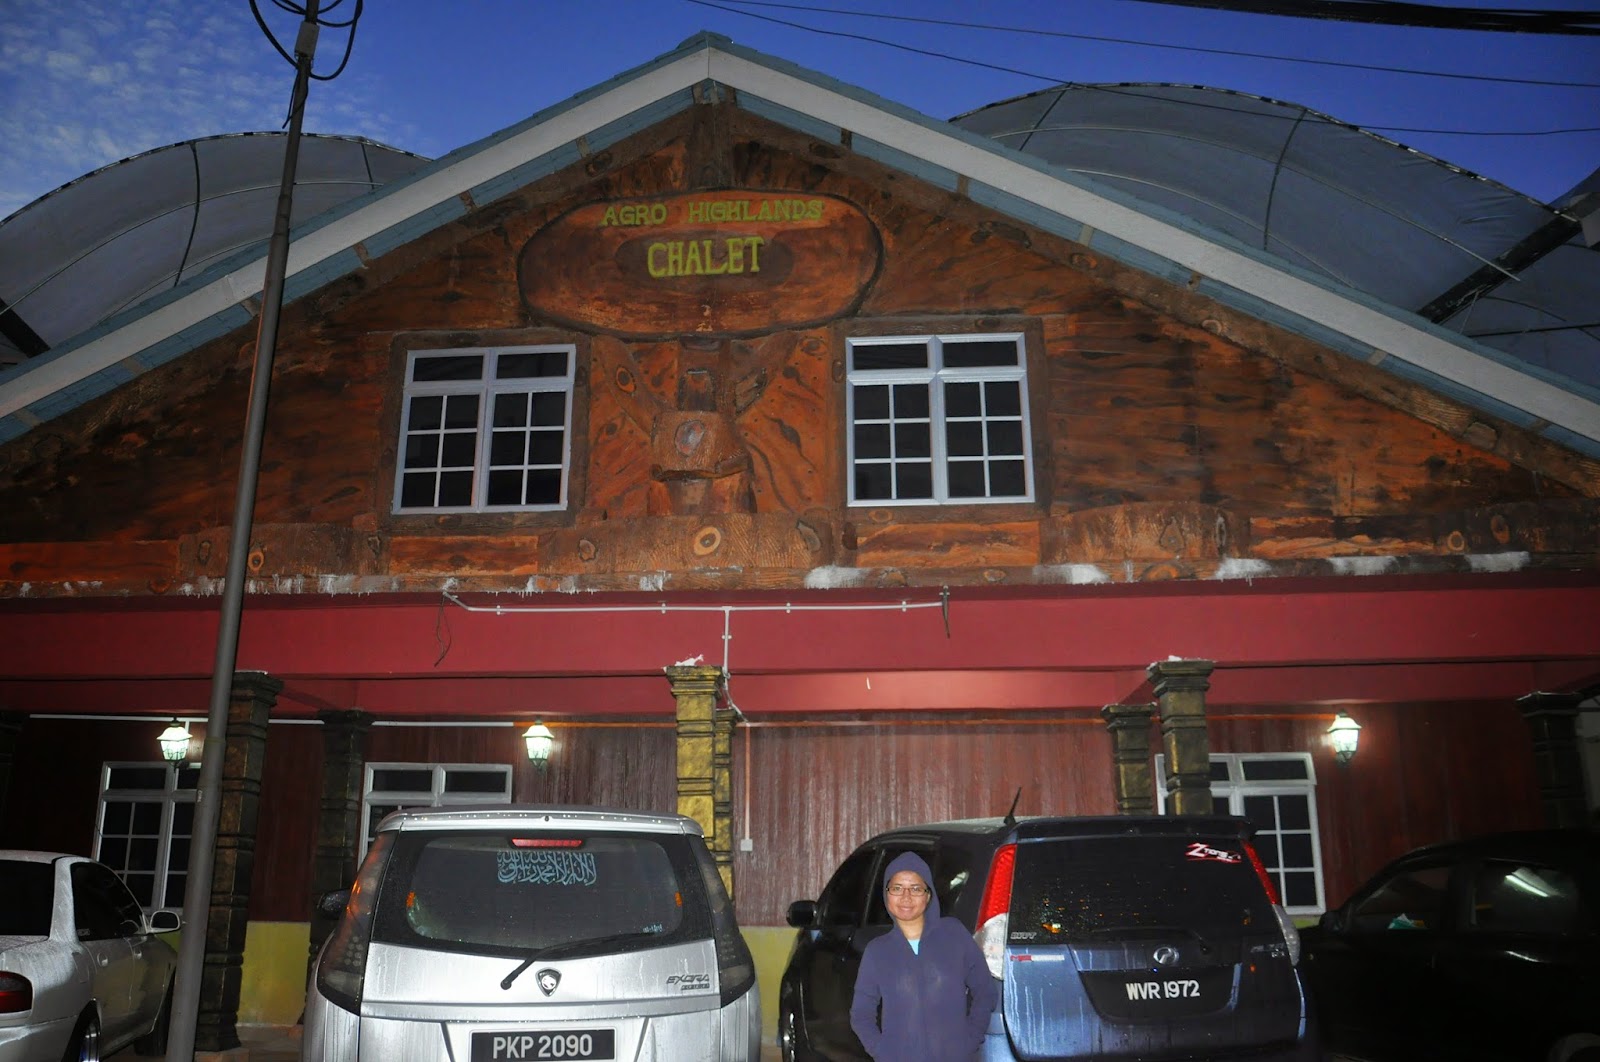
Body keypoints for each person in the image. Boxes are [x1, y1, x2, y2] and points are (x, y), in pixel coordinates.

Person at [849, 852, 998, 1062]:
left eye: (916, 889)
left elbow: (985, 991)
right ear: (886, 894)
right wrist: (883, 1052)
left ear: (928, 896)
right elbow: (861, 1015)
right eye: (897, 888)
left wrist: (971, 1039)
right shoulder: (878, 951)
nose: (906, 897)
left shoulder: (954, 935)